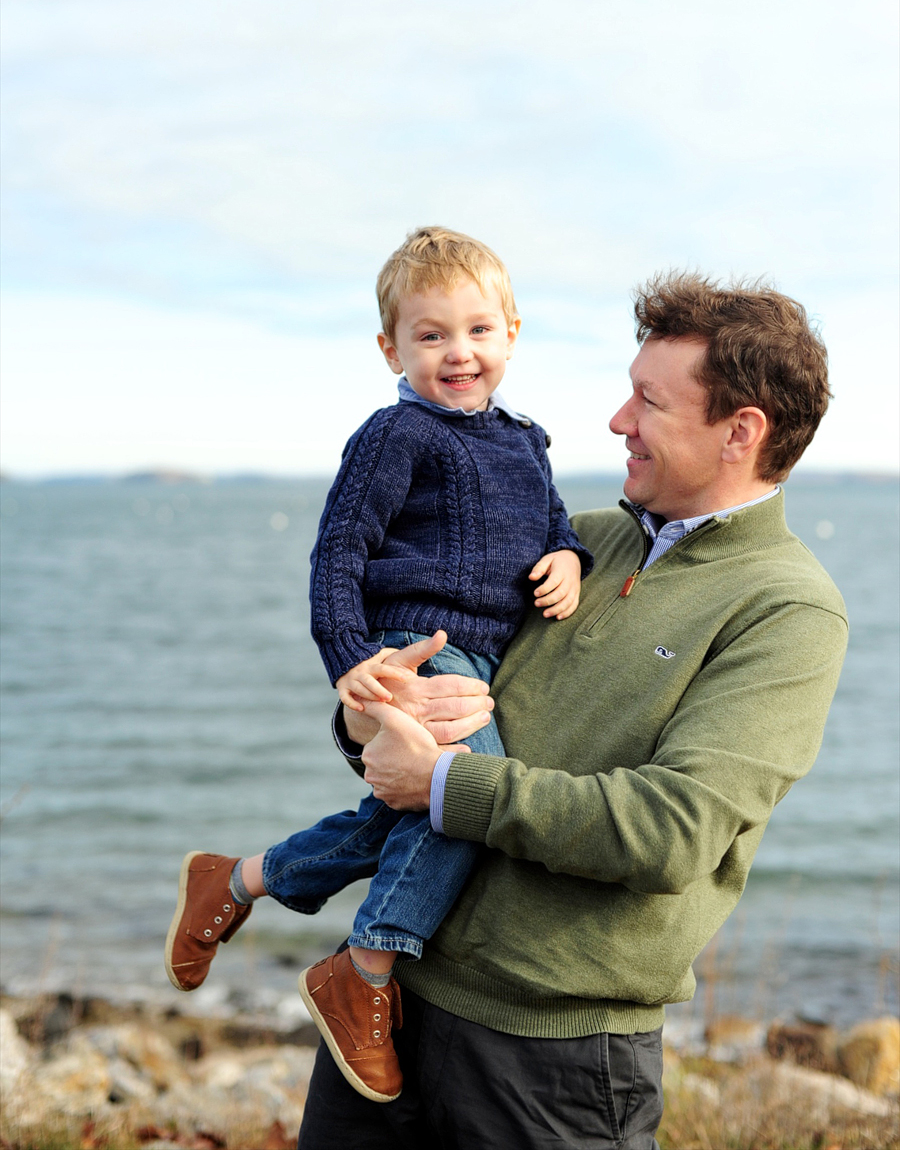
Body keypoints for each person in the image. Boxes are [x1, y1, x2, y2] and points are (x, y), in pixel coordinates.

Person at [294, 272, 849, 1149]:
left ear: (741, 431)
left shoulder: (786, 610)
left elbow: (671, 831)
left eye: (648, 401)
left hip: (557, 1058)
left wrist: (445, 783)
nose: (617, 420)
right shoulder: (575, 542)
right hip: (390, 1002)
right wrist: (369, 719)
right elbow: (414, 714)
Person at [164, 227, 592, 1102]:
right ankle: (364, 964)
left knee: (416, 809)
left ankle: (239, 878)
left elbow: (551, 523)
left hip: (489, 659)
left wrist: (570, 557)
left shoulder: (527, 440)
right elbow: (338, 554)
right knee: (462, 795)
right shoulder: (395, 434)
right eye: (430, 335)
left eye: (478, 329)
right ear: (390, 347)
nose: (457, 352)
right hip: (418, 649)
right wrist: (350, 662)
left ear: (512, 330)